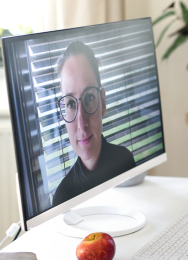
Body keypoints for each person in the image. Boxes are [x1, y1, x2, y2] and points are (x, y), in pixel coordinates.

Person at [52, 41, 135, 207]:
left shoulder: (125, 162)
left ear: (102, 102)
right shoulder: (63, 198)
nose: (82, 123)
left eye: (89, 98)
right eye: (70, 104)